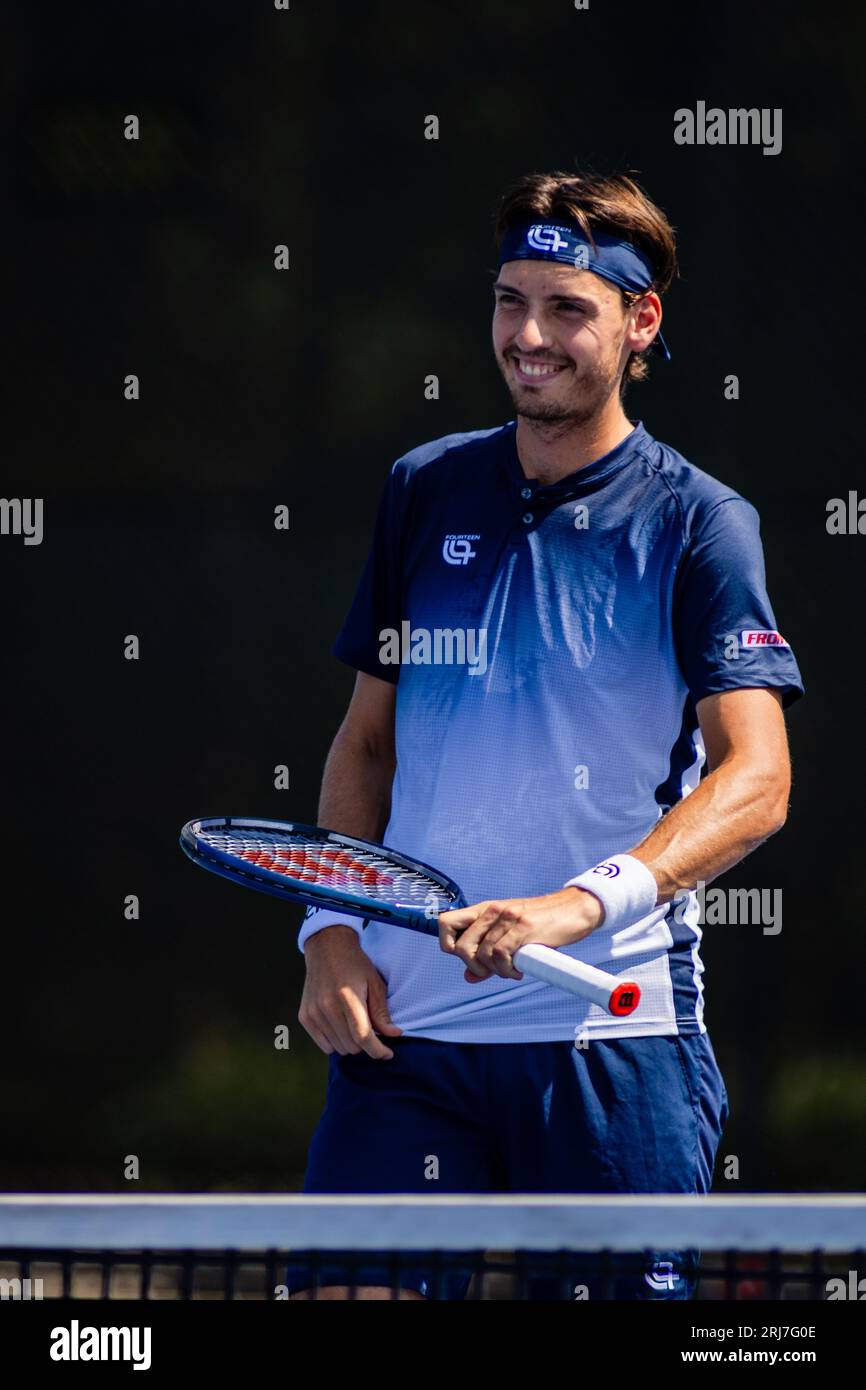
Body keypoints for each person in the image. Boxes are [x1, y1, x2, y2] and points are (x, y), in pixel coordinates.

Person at [288, 170, 804, 1300]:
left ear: (638, 321)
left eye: (566, 307)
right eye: (507, 300)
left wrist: (578, 904)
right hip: (403, 1049)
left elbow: (755, 780)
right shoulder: (421, 489)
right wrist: (330, 927)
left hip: (614, 1041)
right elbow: (364, 743)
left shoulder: (699, 523)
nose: (527, 336)